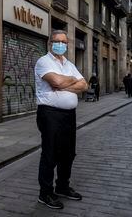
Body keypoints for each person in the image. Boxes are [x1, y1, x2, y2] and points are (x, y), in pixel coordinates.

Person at [34, 30, 88, 209]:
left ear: (67, 44)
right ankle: (45, 193)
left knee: (68, 153)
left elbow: (84, 85)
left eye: (64, 42)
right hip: (49, 114)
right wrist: (72, 80)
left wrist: (67, 83)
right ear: (50, 43)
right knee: (50, 154)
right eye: (57, 41)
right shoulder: (43, 61)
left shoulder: (69, 64)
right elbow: (55, 82)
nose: (60, 44)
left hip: (68, 116)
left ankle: (62, 187)